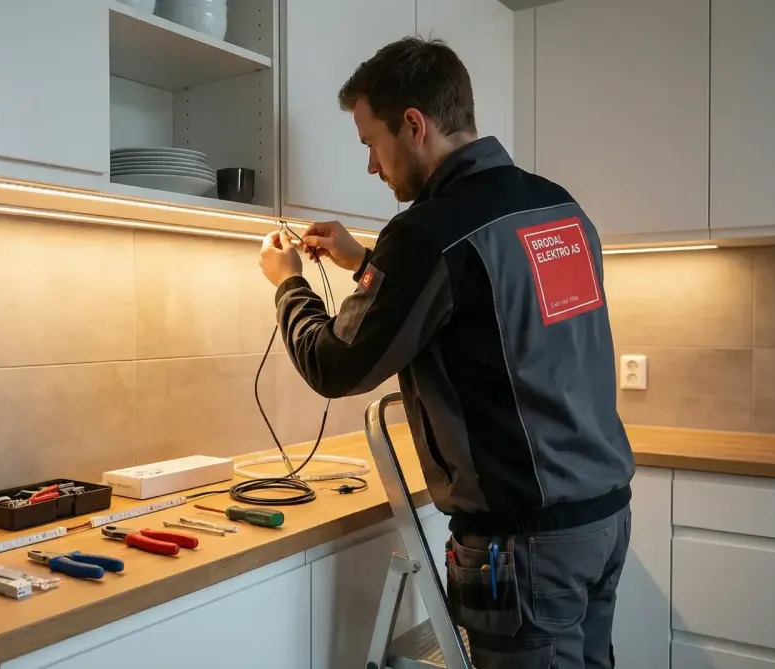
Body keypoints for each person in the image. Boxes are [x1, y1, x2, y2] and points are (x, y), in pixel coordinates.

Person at [257, 37, 635, 669]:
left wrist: (288, 283)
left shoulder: (430, 232)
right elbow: (483, 310)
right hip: (602, 521)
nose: (372, 167)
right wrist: (365, 262)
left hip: (526, 543)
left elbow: (336, 365)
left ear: (414, 125)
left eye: (372, 143)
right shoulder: (557, 208)